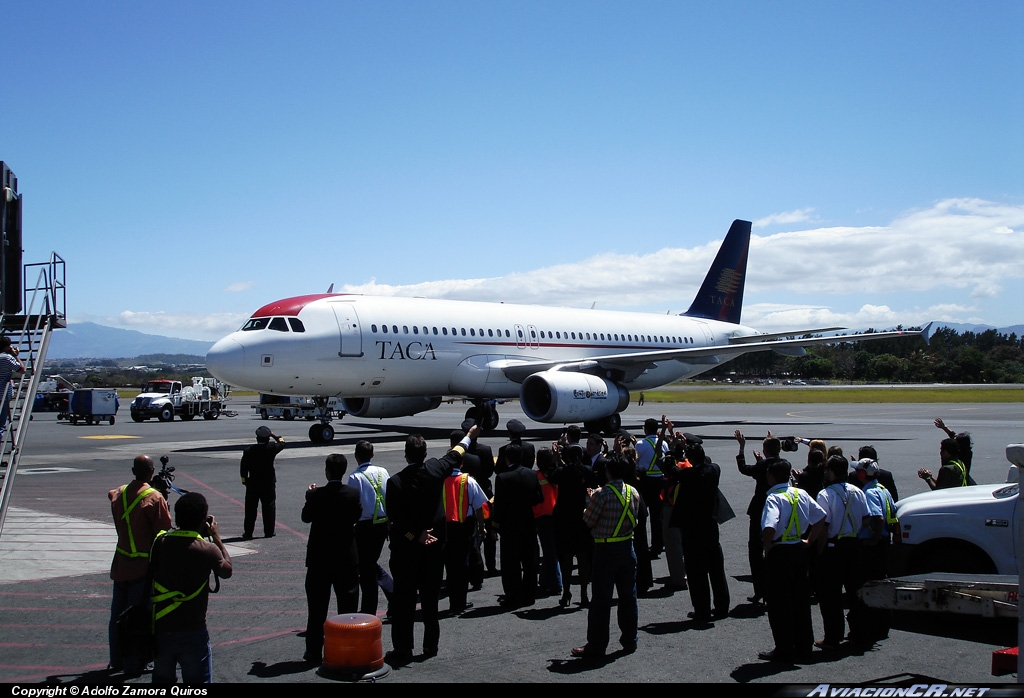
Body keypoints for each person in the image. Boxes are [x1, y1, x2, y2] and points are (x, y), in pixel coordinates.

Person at [385, 425, 479, 664]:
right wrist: (469, 436)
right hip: (434, 547)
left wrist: (414, 535)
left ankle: (403, 649)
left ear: (406, 455)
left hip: (407, 551)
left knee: (405, 603)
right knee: (430, 601)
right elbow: (456, 454)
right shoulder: (436, 469)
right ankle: (431, 645)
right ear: (425, 454)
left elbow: (395, 520)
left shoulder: (395, 482)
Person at [150, 492, 232, 684]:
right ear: (203, 520)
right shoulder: (206, 549)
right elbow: (227, 571)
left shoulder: (160, 542)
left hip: (161, 627)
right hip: (192, 629)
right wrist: (216, 537)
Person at [571, 452, 641, 659]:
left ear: (608, 472)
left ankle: (597, 644)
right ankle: (630, 640)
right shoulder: (633, 492)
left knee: (601, 600)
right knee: (628, 597)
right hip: (627, 547)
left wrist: (590, 500)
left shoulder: (602, 495)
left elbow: (588, 520)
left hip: (605, 549)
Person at [108, 454, 172, 675]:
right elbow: (164, 529)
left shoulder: (119, 493)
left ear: (133, 471)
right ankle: (136, 660)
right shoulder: (153, 498)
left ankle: (116, 659)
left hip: (120, 563)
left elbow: (113, 494)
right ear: (152, 471)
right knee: (139, 616)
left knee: (117, 614)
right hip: (142, 567)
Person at [758, 459, 826, 662]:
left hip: (780, 551)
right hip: (799, 548)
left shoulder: (774, 498)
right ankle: (804, 645)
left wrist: (767, 545)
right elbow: (821, 517)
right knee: (800, 600)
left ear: (771, 476)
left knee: (779, 603)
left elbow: (770, 526)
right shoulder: (801, 493)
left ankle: (784, 647)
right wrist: (809, 539)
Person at [658, 428, 729, 622]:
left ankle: (702, 610)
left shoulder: (688, 475)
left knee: (697, 573)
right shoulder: (714, 470)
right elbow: (703, 463)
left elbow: (670, 467)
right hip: (710, 525)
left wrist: (674, 449)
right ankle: (722, 607)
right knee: (716, 569)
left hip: (692, 528)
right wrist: (686, 448)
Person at [301, 453, 362, 663]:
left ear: (327, 472)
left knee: (317, 609)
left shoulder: (317, 495)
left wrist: (310, 496)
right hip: (345, 556)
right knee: (348, 608)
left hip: (320, 557)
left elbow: (306, 517)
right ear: (343, 471)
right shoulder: (352, 494)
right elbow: (356, 517)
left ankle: (313, 651)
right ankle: (347, 649)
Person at [814, 455, 870, 649]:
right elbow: (866, 518)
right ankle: (859, 633)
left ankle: (833, 636)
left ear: (831, 472)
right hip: (854, 545)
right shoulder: (858, 491)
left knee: (830, 596)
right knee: (855, 593)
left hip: (833, 548)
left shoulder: (825, 494)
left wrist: (820, 551)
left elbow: (823, 526)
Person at [852, 457, 900, 643]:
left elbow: (877, 518)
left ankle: (870, 627)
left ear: (863, 474)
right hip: (884, 543)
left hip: (873, 545)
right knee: (882, 582)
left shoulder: (870, 493)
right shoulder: (883, 489)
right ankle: (882, 625)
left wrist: (873, 538)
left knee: (870, 585)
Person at [735, 429, 785, 605]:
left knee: (755, 552)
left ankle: (760, 590)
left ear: (765, 450)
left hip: (760, 510)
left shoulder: (762, 466)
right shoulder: (783, 464)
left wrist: (741, 448)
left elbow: (743, 468)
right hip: (781, 510)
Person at [492, 442, 544, 608]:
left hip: (510, 526)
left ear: (506, 459)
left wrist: (495, 525)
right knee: (530, 563)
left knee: (511, 565)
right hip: (528, 523)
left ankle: (513, 597)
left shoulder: (502, 477)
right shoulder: (531, 474)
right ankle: (529, 595)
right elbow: (539, 498)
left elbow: (499, 506)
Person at [442, 432, 487, 614]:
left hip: (445, 528)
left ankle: (453, 596)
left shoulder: (440, 480)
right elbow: (479, 507)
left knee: (450, 565)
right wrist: (482, 528)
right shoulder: (468, 480)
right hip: (465, 527)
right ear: (461, 464)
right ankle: (459, 603)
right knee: (462, 565)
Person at [347, 440, 390, 615]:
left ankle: (369, 608)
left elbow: (352, 504)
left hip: (365, 527)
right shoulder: (383, 472)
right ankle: (391, 593)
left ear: (356, 456)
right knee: (369, 564)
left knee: (365, 568)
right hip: (383, 524)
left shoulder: (355, 477)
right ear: (372, 454)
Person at [239, 425, 285, 539]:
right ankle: (269, 531)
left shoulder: (249, 450)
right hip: (268, 483)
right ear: (268, 438)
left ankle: (248, 532)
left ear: (257, 438)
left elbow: (243, 468)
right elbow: (282, 443)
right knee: (269, 507)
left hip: (253, 483)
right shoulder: (271, 448)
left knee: (250, 509)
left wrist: (244, 480)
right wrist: (273, 434)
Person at [635, 418, 668, 557]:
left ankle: (641, 544)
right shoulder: (664, 443)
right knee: (657, 516)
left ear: (646, 429)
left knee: (642, 514)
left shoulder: (641, 444)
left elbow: (636, 461)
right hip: (660, 480)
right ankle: (658, 545)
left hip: (645, 481)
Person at [0, 335, 25, 441]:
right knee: (1, 424)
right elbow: (21, 370)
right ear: (7, 346)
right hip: (3, 394)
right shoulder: (7, 358)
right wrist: (15, 355)